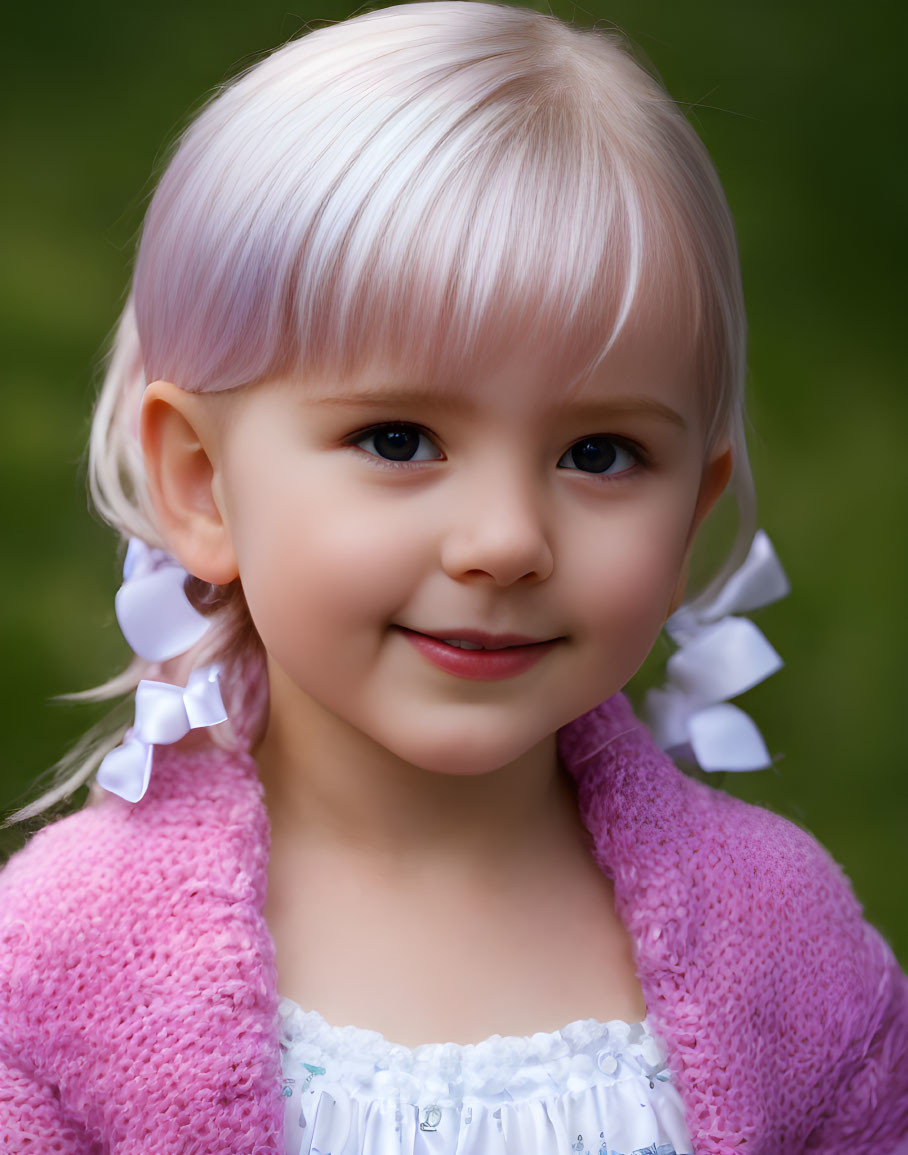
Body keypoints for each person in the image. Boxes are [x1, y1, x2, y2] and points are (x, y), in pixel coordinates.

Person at [1, 4, 905, 1152]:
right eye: (396, 438)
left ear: (689, 514)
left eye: (598, 455)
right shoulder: (62, 965)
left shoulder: (783, 943)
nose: (503, 539)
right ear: (202, 485)